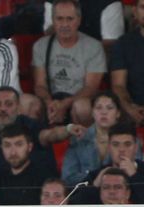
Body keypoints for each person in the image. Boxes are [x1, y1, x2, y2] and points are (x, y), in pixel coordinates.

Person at [32, 0, 105, 128]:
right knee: (26, 103)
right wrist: (49, 103)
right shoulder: (40, 45)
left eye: (69, 19)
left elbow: (91, 88)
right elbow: (40, 85)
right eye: (59, 19)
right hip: (51, 101)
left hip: (77, 101)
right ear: (53, 20)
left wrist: (65, 104)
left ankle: (84, 143)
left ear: (79, 20)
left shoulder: (94, 47)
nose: (64, 24)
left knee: (82, 107)